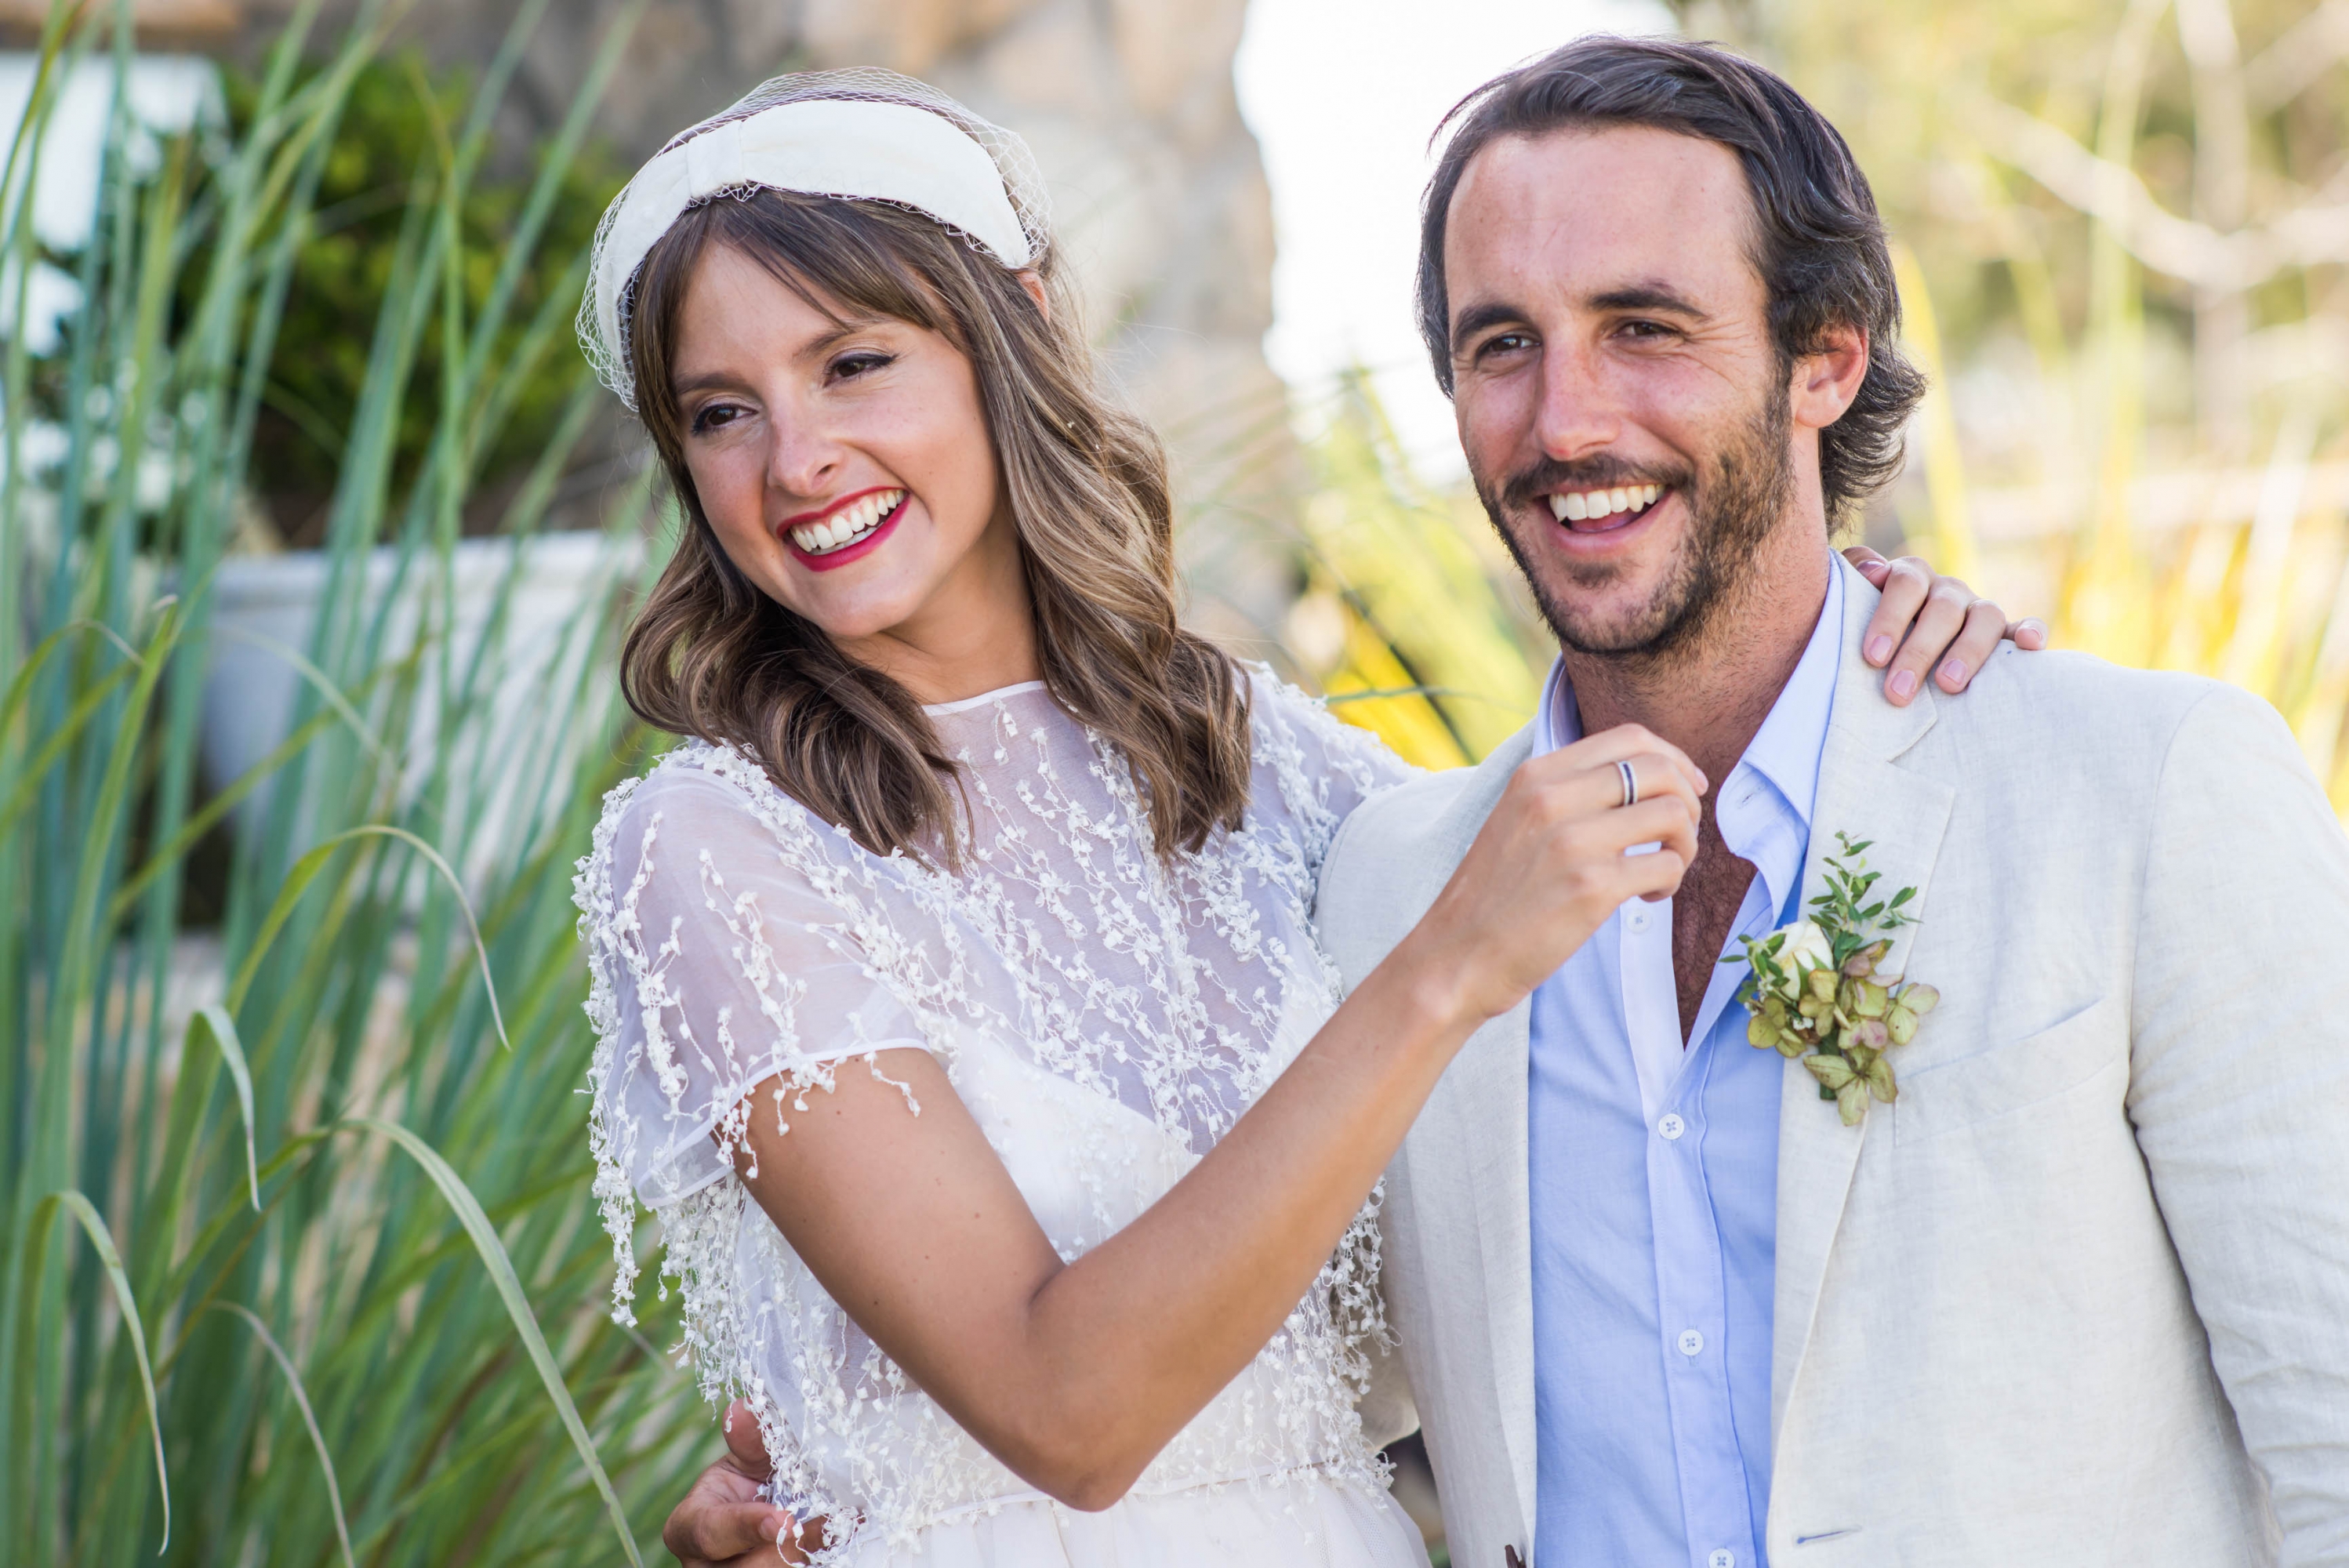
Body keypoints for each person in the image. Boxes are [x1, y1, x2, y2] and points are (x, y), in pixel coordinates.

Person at [579, 69, 2032, 1568]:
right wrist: (1442, 975)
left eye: (855, 363)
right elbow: (1064, 1415)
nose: (797, 460)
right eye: (721, 412)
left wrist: (1862, 642)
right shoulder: (716, 847)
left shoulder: (1268, 766)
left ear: (1004, 338)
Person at [1320, 36, 2349, 1568]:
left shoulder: (2140, 789)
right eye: (1500, 345)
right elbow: (1282, 1402)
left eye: (1643, 326)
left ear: (1827, 354)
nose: (1564, 422)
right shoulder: (1386, 889)